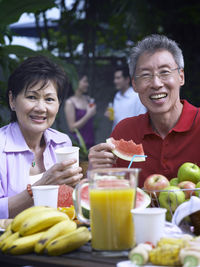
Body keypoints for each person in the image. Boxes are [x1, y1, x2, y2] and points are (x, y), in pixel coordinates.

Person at [88, 34, 200, 188]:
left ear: (181, 77)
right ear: (134, 84)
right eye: (146, 75)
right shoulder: (124, 132)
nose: (156, 83)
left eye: (165, 72)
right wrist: (95, 170)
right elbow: (106, 195)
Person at [0, 55, 83, 219]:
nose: (41, 108)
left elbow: (68, 203)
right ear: (12, 101)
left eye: (49, 99)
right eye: (31, 97)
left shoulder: (62, 143)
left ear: (58, 104)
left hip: (57, 235)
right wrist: (42, 185)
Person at [64, 74, 96, 150]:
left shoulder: (88, 99)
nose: (87, 84)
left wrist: (93, 111)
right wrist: (88, 114)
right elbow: (72, 128)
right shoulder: (70, 102)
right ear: (76, 82)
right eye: (85, 81)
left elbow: (92, 114)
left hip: (91, 140)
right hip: (79, 144)